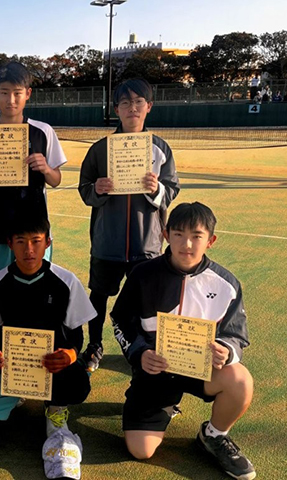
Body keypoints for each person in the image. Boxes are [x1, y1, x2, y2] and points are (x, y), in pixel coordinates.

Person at [111, 202, 255, 480]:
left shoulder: (226, 284)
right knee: (141, 451)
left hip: (201, 370)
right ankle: (165, 405)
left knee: (240, 381)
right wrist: (140, 353)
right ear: (166, 235)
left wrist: (226, 351)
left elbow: (236, 334)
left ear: (210, 240)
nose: (186, 244)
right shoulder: (143, 274)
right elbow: (121, 320)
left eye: (196, 236)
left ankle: (213, 435)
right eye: (178, 234)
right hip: (155, 373)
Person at [0, 211, 96, 451]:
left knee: (77, 384)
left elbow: (75, 333)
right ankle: (17, 393)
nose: (29, 250)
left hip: (52, 368)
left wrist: (71, 354)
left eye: (36, 241)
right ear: (10, 244)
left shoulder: (66, 281)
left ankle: (55, 406)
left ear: (47, 242)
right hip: (11, 371)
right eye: (20, 241)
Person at [77, 78, 180, 372]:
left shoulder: (160, 148)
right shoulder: (100, 149)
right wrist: (97, 189)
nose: (132, 108)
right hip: (106, 243)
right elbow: (84, 189)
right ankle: (94, 345)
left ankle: (144, 349)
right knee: (99, 297)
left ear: (149, 107)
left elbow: (172, 190)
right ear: (116, 110)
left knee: (147, 302)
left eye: (138, 102)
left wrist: (156, 189)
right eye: (125, 103)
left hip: (146, 244)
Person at [0, 61, 67, 284]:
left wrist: (46, 168)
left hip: (34, 229)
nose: (11, 100)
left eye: (17, 93)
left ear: (28, 94)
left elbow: (56, 180)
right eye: (4, 93)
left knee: (37, 288)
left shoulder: (43, 131)